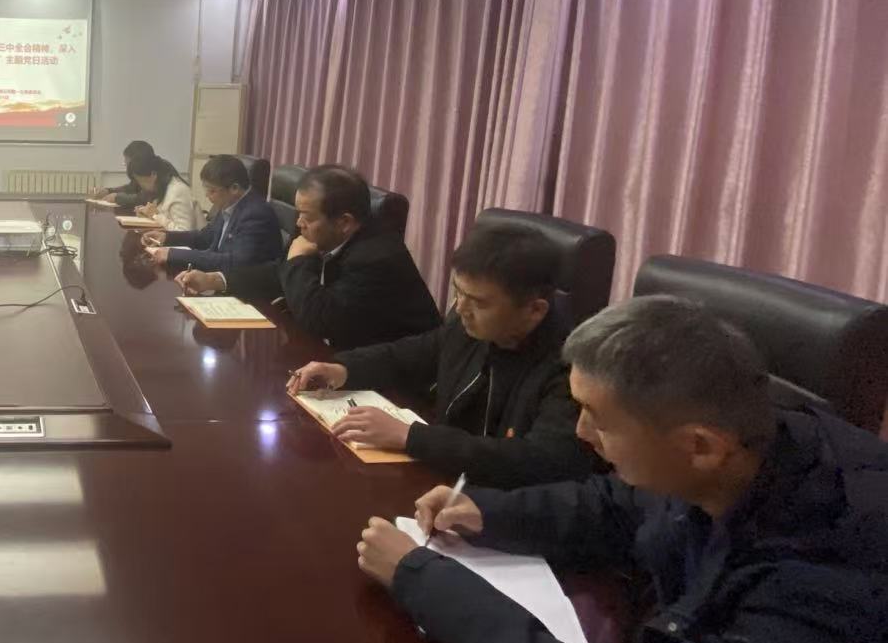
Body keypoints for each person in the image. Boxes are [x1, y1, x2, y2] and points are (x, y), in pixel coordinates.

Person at [355, 297, 888, 643]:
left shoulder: (829, 570)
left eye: (599, 419)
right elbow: (619, 503)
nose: (581, 433)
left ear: (699, 446)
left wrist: (424, 580)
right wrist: (488, 512)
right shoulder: (747, 444)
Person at [289, 222, 601, 486]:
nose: (461, 308)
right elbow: (408, 354)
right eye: (457, 292)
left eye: (478, 302)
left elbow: (542, 460)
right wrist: (342, 369)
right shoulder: (472, 329)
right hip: (444, 481)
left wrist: (412, 437)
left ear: (534, 310)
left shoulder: (573, 370)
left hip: (500, 509)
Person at [179, 165, 439, 349]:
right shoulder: (322, 231)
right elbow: (280, 272)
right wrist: (215, 279)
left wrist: (298, 262)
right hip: (336, 355)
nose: (298, 223)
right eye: (298, 213)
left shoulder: (376, 258)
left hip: (395, 382)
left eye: (307, 216)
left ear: (344, 222)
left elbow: (321, 320)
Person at [140, 154, 283, 272]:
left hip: (245, 290)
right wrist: (166, 237)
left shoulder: (256, 215)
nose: (207, 195)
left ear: (234, 188)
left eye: (212, 190)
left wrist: (174, 254)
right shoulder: (230, 204)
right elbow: (205, 237)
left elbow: (234, 263)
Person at [127, 149, 202, 230]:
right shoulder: (162, 188)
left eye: (140, 181)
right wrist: (147, 214)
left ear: (153, 174)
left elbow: (184, 231)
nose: (140, 185)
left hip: (190, 238)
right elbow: (167, 218)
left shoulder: (178, 191)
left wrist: (155, 215)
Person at [90, 139, 157, 207]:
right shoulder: (141, 173)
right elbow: (130, 188)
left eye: (126, 162)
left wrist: (118, 198)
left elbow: (146, 198)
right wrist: (108, 191)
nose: (126, 166)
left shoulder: (156, 176)